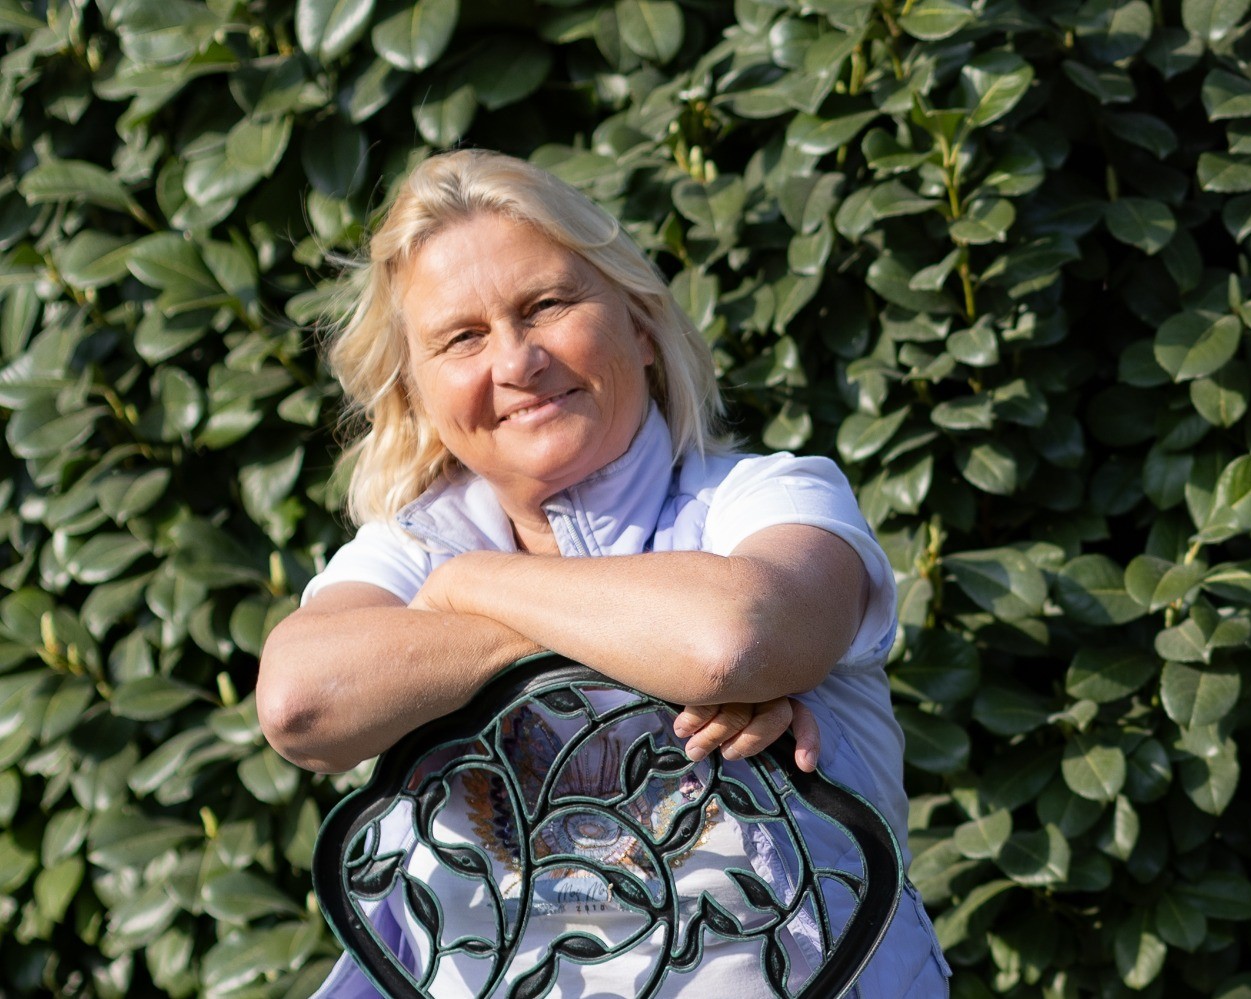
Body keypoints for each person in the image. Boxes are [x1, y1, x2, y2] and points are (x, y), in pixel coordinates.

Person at [258, 148, 950, 996]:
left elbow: (732, 636)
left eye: (546, 306)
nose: (516, 361)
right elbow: (299, 703)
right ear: (417, 395)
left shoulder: (772, 499)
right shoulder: (411, 548)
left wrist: (469, 590)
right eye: (462, 338)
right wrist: (650, 653)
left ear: (642, 325)